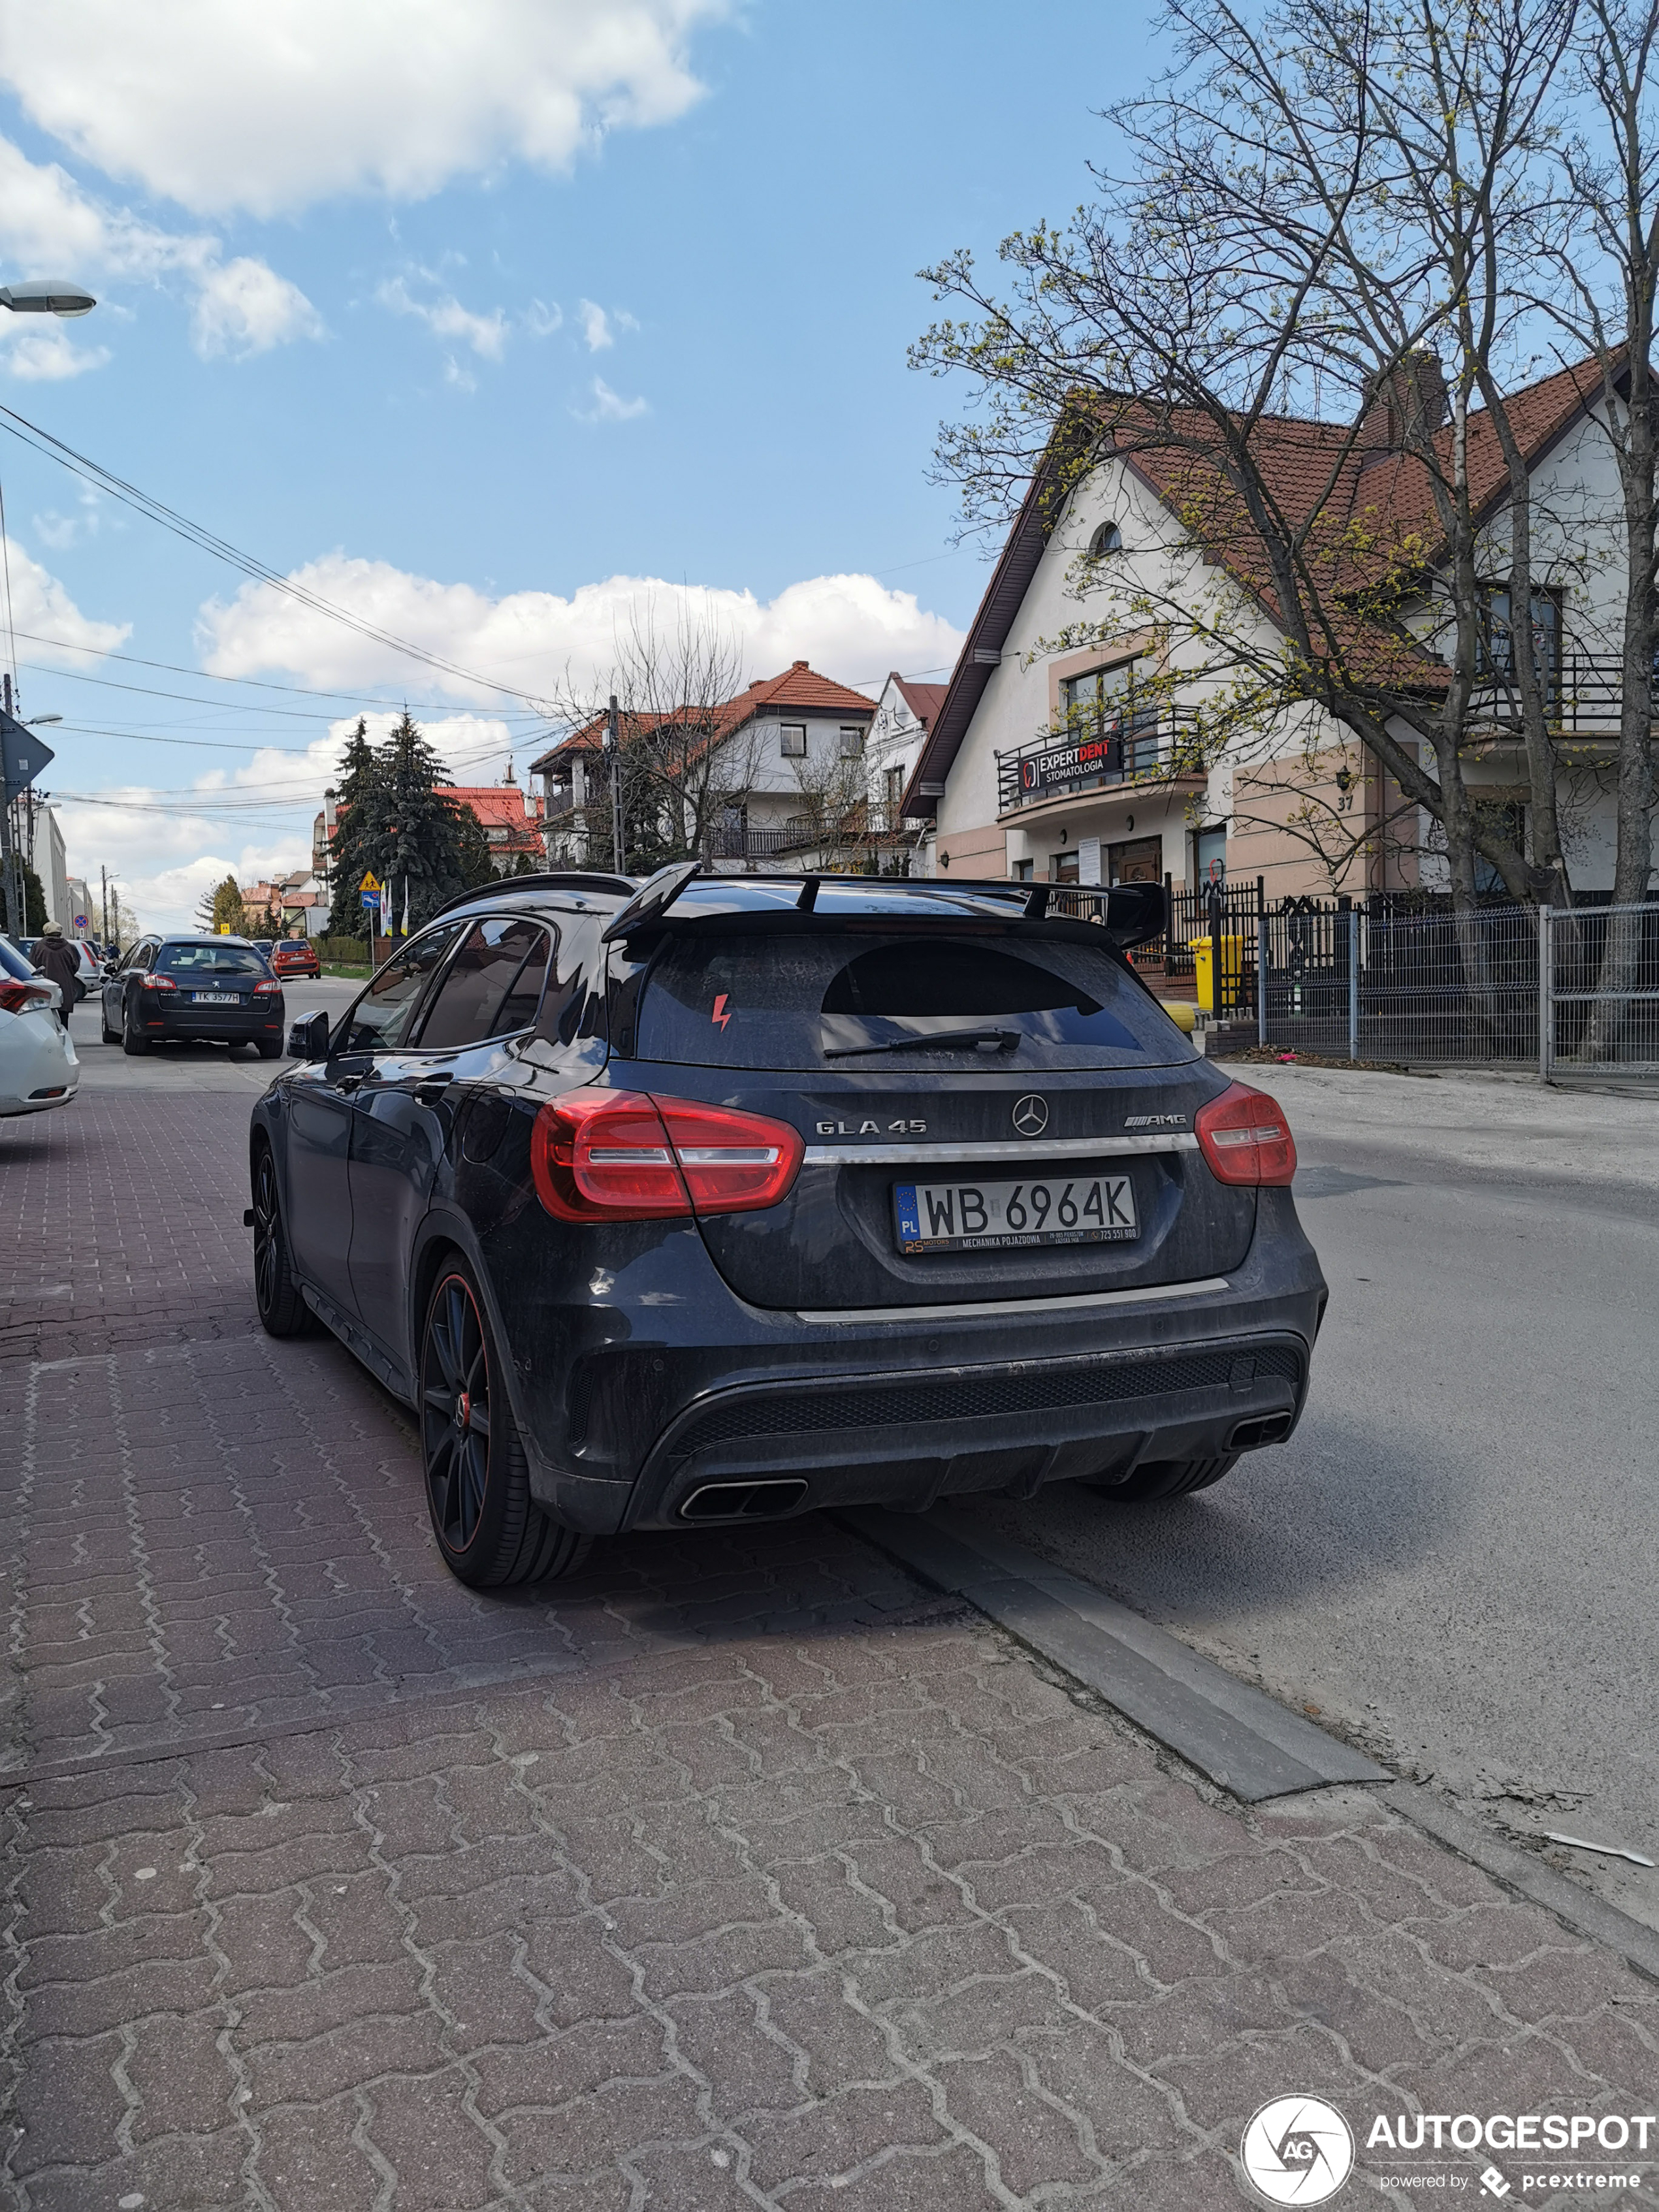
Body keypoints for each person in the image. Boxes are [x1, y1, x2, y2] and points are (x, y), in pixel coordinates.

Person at [32, 922, 84, 1031]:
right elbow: (76, 966)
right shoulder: (70, 948)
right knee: (63, 1019)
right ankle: (64, 1041)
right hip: (65, 987)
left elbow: (32, 966)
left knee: (45, 1017)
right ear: (60, 933)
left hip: (44, 987)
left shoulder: (38, 947)